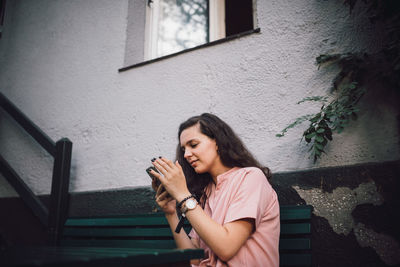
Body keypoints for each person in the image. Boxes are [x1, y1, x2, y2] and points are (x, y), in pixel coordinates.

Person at [149, 113, 280, 267]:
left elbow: (226, 247)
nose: (186, 154)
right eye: (184, 149)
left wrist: (183, 195)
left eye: (194, 144)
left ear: (217, 142)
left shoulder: (251, 178)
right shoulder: (207, 193)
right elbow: (194, 258)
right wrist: (171, 213)